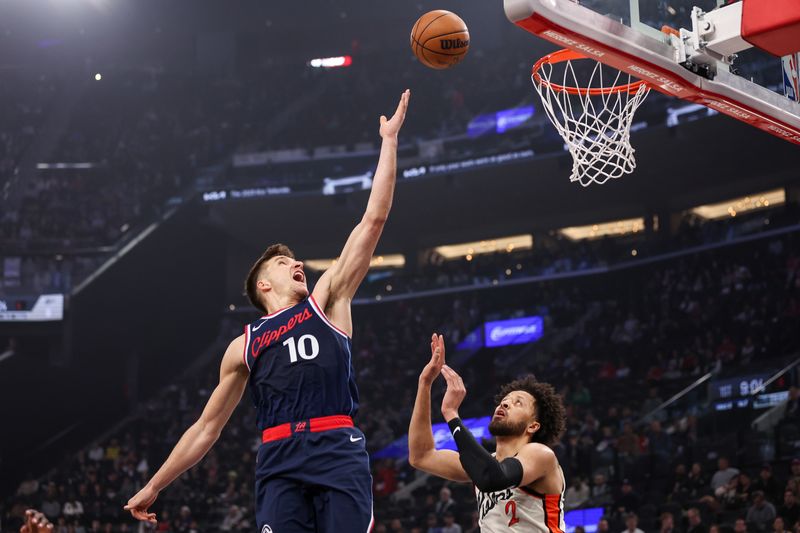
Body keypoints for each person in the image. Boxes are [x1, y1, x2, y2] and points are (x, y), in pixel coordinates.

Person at [124, 90, 412, 532]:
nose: (297, 264)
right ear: (263, 284)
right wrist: (156, 485)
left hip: (336, 446)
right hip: (279, 460)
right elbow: (206, 429)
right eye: (284, 262)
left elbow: (372, 220)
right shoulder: (245, 346)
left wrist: (389, 142)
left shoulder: (329, 300)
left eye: (296, 260)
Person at [408, 334, 567, 532]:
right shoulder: (484, 464)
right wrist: (425, 384)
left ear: (533, 426)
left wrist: (451, 414)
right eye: (504, 400)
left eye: (518, 403)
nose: (505, 403)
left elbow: (492, 478)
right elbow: (421, 456)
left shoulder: (540, 454)